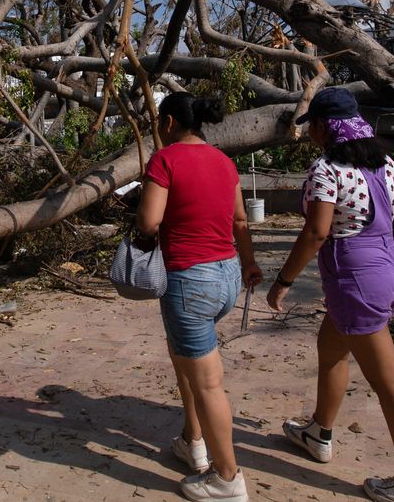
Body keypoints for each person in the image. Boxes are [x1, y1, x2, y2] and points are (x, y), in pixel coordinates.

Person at [265, 88, 394, 502]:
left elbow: (317, 231)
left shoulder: (326, 170)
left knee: (390, 382)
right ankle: (318, 431)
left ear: (324, 127)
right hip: (385, 273)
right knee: (332, 349)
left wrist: (284, 280)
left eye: (313, 127)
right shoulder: (384, 164)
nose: (310, 135)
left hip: (355, 282)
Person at [136, 92, 263, 502]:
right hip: (226, 275)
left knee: (208, 383)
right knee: (184, 356)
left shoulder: (165, 159)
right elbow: (240, 220)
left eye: (159, 119)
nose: (157, 125)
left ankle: (227, 478)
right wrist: (249, 265)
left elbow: (150, 222)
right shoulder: (225, 162)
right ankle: (193, 442)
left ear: (170, 122)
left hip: (190, 280)